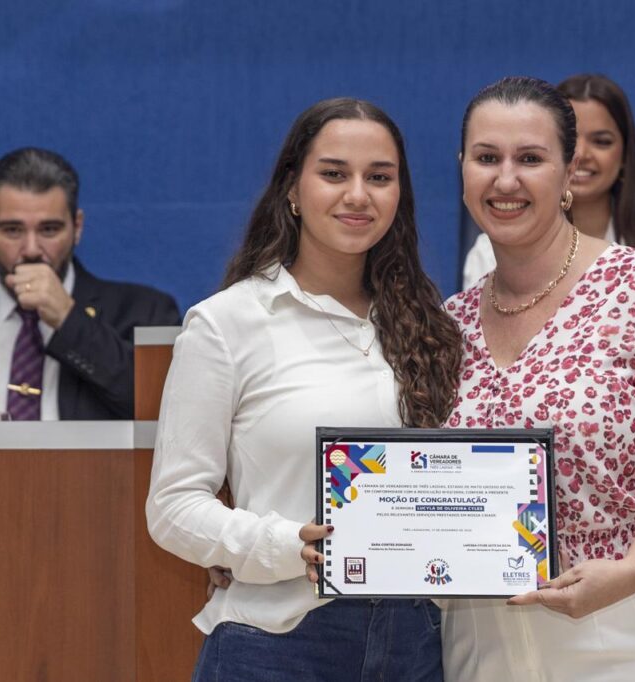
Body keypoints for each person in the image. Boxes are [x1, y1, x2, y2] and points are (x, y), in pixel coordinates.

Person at [441, 76, 635, 681]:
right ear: (462, 171)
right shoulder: (443, 328)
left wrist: (632, 571)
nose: (506, 180)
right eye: (487, 158)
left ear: (567, 172)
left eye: (530, 159)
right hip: (485, 647)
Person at [146, 98, 462, 681]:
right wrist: (288, 546)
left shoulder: (435, 326)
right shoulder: (226, 323)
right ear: (292, 188)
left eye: (380, 177)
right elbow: (172, 508)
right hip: (276, 644)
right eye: (334, 173)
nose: (358, 194)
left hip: (417, 644)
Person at [0, 147, 180, 421]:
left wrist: (69, 320)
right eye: (12, 230)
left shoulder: (143, 310)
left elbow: (166, 411)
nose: (30, 249)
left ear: (77, 227)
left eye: (48, 229)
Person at [461, 73, 635, 289]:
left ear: (625, 156)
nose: (582, 153)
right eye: (572, 140)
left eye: (601, 141)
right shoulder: (488, 253)